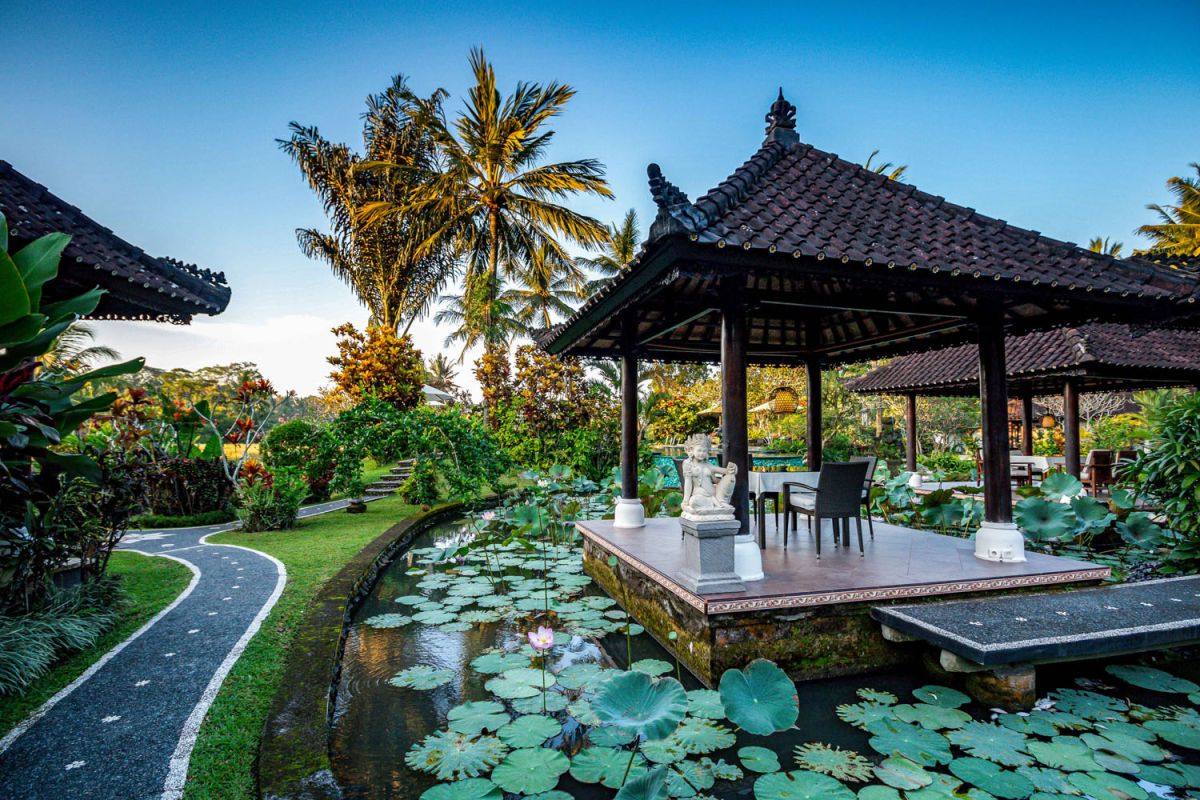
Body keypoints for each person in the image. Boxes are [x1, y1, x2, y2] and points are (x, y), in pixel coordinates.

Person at [681, 433, 737, 516]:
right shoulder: (688, 464)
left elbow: (725, 471)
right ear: (692, 450)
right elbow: (688, 483)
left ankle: (720, 501)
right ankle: (714, 503)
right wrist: (685, 501)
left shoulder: (708, 465)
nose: (701, 453)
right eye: (699, 450)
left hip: (715, 493)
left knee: (730, 477)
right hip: (700, 496)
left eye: (704, 451)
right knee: (693, 501)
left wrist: (732, 469)